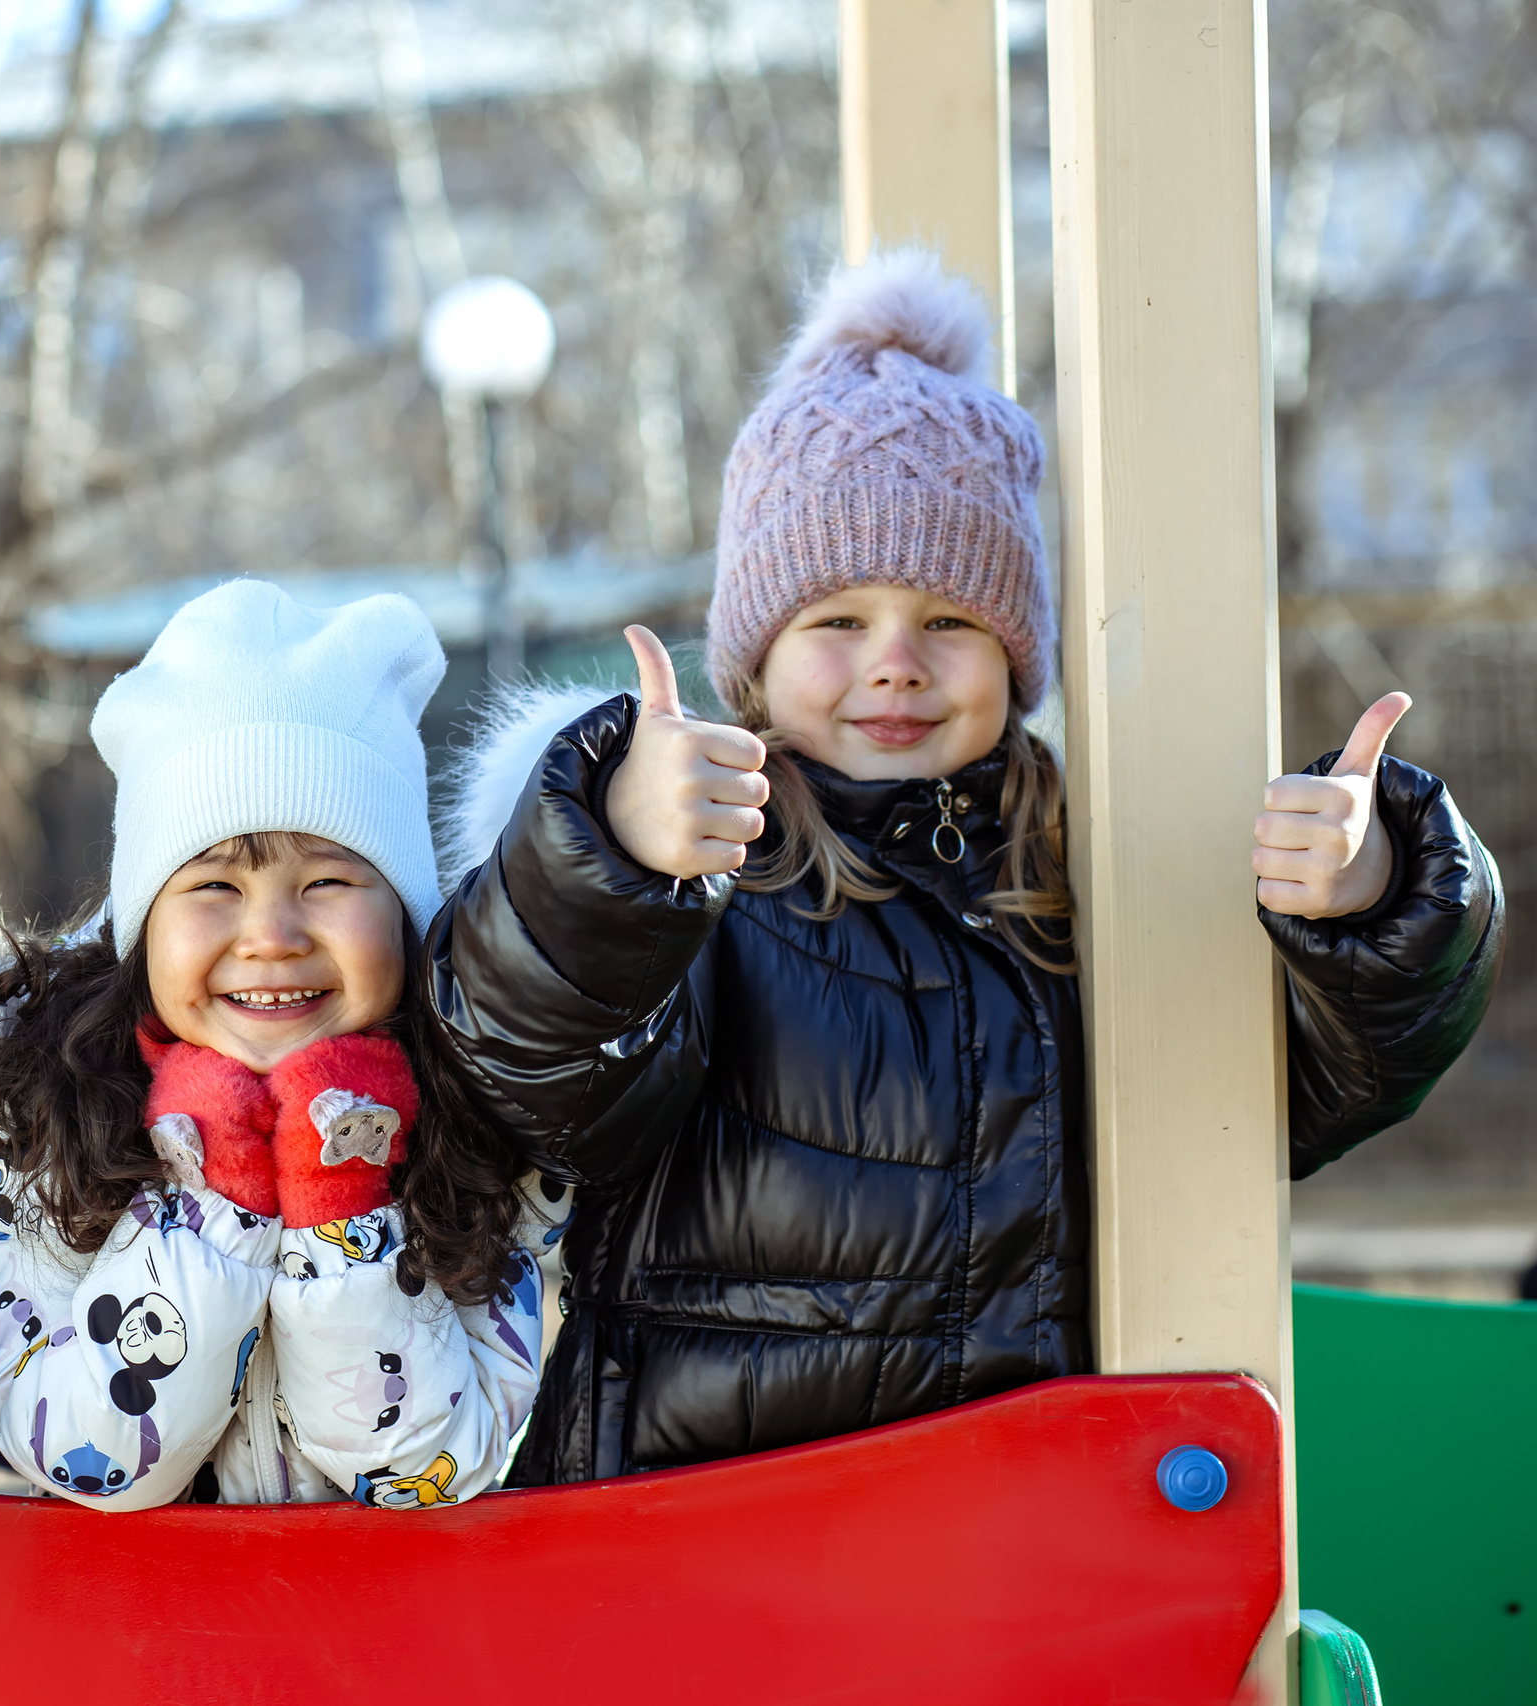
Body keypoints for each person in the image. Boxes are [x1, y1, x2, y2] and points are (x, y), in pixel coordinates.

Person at [426, 251, 1505, 1486]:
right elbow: (537, 1073)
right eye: (835, 621)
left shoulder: (1086, 863)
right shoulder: (710, 876)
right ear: (754, 665)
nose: (895, 662)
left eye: (948, 620)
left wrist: (1372, 898)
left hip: (1021, 1533)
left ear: (1016, 652)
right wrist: (608, 865)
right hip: (713, 1526)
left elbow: (1314, 1085)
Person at [0, 580, 567, 1510]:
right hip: (141, 1637)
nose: (273, 934)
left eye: (331, 879)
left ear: (406, 911)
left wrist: (338, 1200)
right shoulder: (45, 1120)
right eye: (215, 884)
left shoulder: (480, 1120)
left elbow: (433, 1470)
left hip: (387, 1635)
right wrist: (220, 1200)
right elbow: (88, 1464)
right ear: (144, 924)